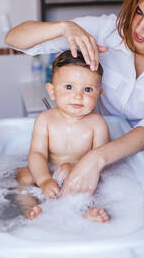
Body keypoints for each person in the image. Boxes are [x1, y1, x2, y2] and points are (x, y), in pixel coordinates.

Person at [5, 0, 144, 195]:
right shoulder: (107, 31)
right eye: (139, 12)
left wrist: (96, 159)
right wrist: (64, 27)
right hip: (89, 159)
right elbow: (15, 39)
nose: (140, 28)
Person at [15, 50, 110, 222]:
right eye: (68, 87)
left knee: (97, 184)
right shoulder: (45, 120)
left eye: (87, 89)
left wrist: (74, 168)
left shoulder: (98, 124)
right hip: (46, 172)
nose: (78, 96)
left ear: (98, 94)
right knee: (23, 175)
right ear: (51, 91)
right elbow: (37, 154)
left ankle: (83, 210)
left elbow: (101, 163)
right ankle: (29, 206)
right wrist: (44, 180)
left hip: (78, 176)